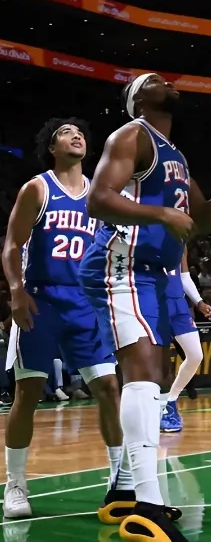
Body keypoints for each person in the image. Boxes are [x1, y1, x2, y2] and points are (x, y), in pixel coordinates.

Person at [79, 74, 211, 541]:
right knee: (144, 375)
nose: (169, 82)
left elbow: (201, 221)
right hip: (121, 265)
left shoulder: (175, 156)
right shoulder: (131, 135)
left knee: (152, 379)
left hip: (151, 273)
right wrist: (160, 214)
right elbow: (97, 199)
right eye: (156, 81)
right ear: (138, 99)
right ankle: (146, 507)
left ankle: (124, 494)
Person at [1, 119, 124, 520]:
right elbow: (12, 244)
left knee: (108, 387)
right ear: (51, 146)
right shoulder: (38, 187)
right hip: (42, 298)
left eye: (81, 132)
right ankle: (15, 484)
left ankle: (119, 480)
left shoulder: (99, 194)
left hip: (86, 303)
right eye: (66, 132)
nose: (77, 135)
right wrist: (17, 291)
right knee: (29, 393)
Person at [160, 249, 211, 433]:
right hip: (155, 303)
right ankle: (163, 408)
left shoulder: (180, 241)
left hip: (178, 304)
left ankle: (171, 400)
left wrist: (199, 302)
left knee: (195, 355)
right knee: (159, 362)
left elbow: (184, 277)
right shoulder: (145, 232)